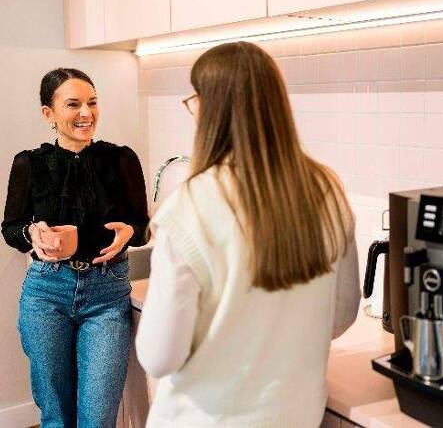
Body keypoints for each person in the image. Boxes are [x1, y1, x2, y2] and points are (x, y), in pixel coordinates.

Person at [136, 41, 361, 427]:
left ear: (211, 109)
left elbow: (160, 356)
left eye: (195, 100)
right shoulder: (326, 191)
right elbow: (340, 316)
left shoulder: (191, 205)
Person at [1, 68, 150, 428]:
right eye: (73, 104)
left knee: (97, 417)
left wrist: (130, 231)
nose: (87, 113)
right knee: (56, 416)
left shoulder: (122, 159)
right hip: (46, 292)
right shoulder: (29, 163)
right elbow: (10, 228)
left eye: (92, 103)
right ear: (48, 113)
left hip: (107, 294)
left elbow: (142, 226)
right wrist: (31, 233)